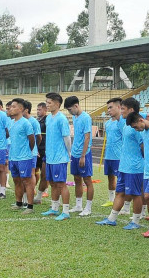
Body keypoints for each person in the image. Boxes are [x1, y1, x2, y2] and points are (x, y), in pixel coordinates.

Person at [97, 97, 145, 229]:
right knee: (120, 192)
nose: (121, 111)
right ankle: (111, 218)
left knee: (136, 194)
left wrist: (141, 161)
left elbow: (143, 146)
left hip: (134, 167)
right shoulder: (125, 124)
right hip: (124, 165)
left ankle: (135, 221)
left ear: (130, 110)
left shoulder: (137, 127)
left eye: (123, 108)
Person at [41, 92, 72, 220]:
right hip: (50, 157)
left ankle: (65, 212)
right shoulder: (48, 118)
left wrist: (69, 153)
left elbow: (67, 138)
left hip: (60, 158)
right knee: (53, 183)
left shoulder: (62, 119)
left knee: (61, 184)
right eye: (46, 102)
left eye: (49, 103)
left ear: (57, 104)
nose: (47, 105)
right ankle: (54, 208)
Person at [6, 99, 37, 212]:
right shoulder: (11, 122)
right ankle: (18, 203)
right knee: (16, 181)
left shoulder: (25, 123)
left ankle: (30, 206)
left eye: (13, 106)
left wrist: (27, 151)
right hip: (13, 157)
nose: (10, 108)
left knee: (27, 181)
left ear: (20, 109)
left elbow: (32, 139)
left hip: (24, 158)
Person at [64, 96, 93, 215]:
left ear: (76, 106)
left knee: (87, 180)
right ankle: (78, 205)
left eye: (70, 109)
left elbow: (87, 137)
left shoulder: (86, 117)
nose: (69, 112)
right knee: (76, 178)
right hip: (75, 153)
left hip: (84, 153)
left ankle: (88, 207)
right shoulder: (75, 117)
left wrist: (83, 156)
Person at [102, 98, 124, 207]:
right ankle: (111, 199)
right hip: (108, 156)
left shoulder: (122, 122)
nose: (108, 110)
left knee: (121, 180)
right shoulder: (107, 123)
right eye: (108, 108)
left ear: (119, 107)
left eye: (111, 107)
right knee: (110, 178)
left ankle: (124, 204)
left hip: (119, 156)